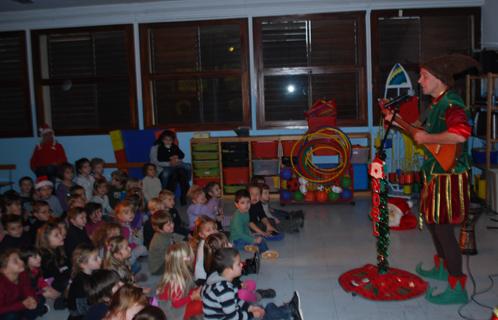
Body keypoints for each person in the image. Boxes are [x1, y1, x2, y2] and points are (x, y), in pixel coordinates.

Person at [383, 53, 479, 305]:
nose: (420, 81)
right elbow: (418, 131)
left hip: (450, 176)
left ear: (439, 79)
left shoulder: (452, 104)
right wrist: (395, 122)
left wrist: (427, 139)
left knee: (444, 229)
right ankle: (442, 267)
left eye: (424, 76)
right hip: (437, 172)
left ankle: (457, 286)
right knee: (436, 225)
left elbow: (460, 135)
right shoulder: (436, 104)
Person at [202, 247, 303, 320]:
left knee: (261, 308)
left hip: (228, 314)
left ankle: (288, 311)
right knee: (264, 312)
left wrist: (251, 308)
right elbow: (233, 317)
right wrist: (252, 314)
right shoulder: (224, 291)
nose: (242, 265)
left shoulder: (222, 280)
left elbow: (236, 300)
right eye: (238, 264)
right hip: (229, 317)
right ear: (228, 270)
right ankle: (289, 311)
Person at [156, 242, 203, 320]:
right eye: (191, 253)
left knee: (198, 292)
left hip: (177, 297)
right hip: (172, 311)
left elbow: (190, 284)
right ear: (185, 260)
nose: (193, 254)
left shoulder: (180, 270)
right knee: (199, 305)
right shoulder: (176, 282)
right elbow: (176, 304)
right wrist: (192, 297)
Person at [0, 249, 48, 320]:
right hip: (7, 309)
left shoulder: (22, 273)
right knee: (11, 316)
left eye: (20, 259)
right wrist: (22, 304)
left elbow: (26, 287)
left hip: (19, 303)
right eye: (15, 261)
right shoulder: (1, 284)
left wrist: (30, 298)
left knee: (40, 299)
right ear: (3, 269)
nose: (21, 262)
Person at [149, 130, 191, 205]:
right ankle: (163, 193)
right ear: (162, 139)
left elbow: (181, 155)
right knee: (167, 174)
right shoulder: (157, 148)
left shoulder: (174, 146)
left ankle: (184, 195)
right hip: (163, 167)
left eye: (170, 140)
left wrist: (177, 158)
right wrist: (170, 163)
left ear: (172, 140)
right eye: (166, 139)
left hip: (175, 164)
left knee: (186, 168)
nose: (168, 141)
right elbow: (156, 161)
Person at [67, 244, 102, 320]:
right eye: (96, 259)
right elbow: (82, 308)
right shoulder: (81, 282)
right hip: (78, 313)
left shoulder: (91, 273)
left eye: (98, 256)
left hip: (86, 304)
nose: (100, 259)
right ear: (83, 264)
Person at [148, 211, 183, 275]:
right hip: (158, 268)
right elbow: (171, 255)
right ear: (159, 228)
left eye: (172, 222)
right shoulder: (160, 241)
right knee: (182, 260)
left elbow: (173, 236)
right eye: (168, 225)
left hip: (165, 258)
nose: (172, 225)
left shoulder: (164, 232)